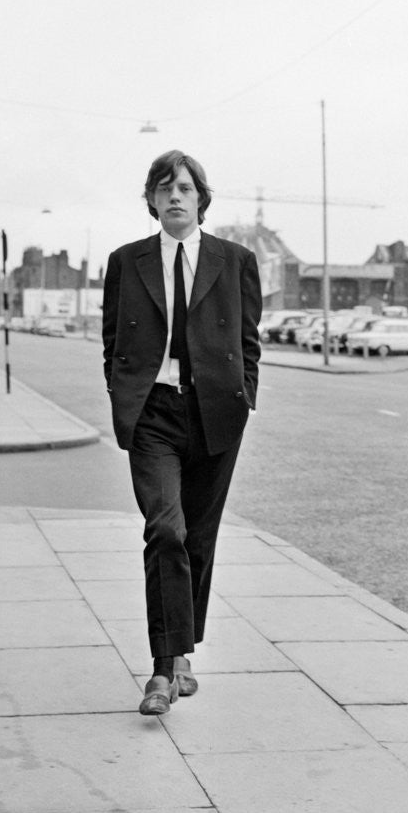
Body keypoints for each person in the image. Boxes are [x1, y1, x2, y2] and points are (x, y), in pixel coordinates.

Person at [102, 150, 261, 716]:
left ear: (201, 200)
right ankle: (163, 670)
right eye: (164, 188)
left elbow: (249, 340)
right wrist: (123, 395)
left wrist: (245, 396)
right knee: (165, 529)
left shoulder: (235, 260)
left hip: (215, 413)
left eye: (186, 188)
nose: (175, 196)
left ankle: (183, 655)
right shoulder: (126, 261)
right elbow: (112, 340)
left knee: (198, 537)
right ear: (150, 199)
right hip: (153, 415)